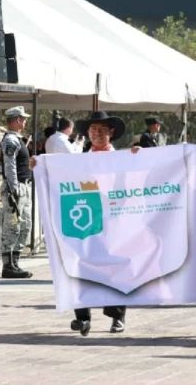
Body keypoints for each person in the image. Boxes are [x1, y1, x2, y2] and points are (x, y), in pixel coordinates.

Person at [67, 111, 135, 336]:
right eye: (93, 130)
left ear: (111, 133)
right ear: (87, 133)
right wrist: (36, 164)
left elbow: (136, 180)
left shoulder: (124, 159)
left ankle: (117, 315)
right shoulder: (77, 160)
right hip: (84, 220)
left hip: (114, 219)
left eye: (102, 130)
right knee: (80, 265)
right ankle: (82, 317)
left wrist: (139, 156)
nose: (97, 134)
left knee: (114, 267)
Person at [0, 106, 33, 279]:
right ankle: (8, 265)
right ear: (17, 119)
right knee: (12, 225)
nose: (25, 121)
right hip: (16, 187)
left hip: (24, 186)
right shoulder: (11, 140)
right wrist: (14, 188)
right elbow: (9, 166)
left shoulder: (18, 139)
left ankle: (15, 262)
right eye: (23, 118)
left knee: (25, 225)